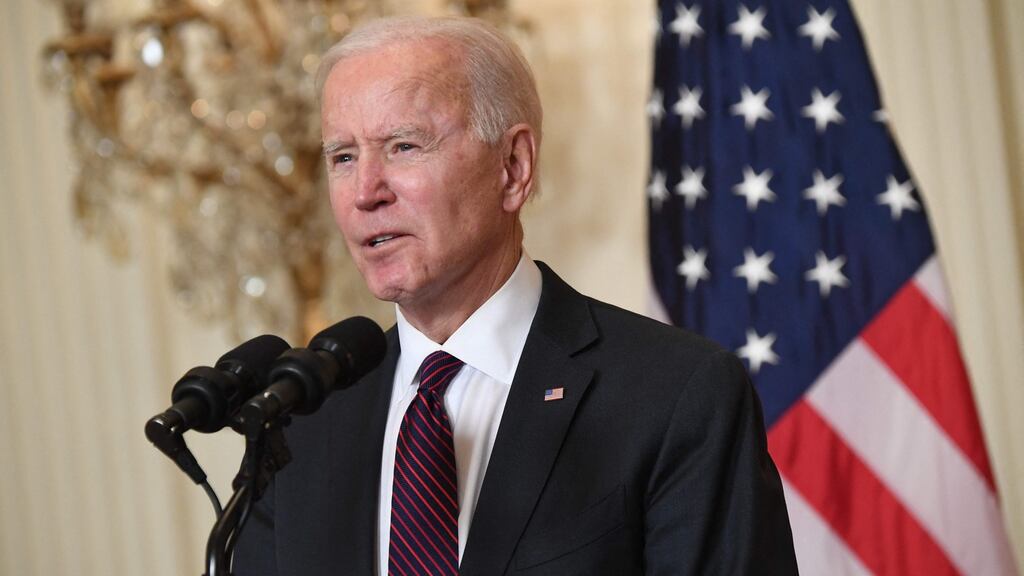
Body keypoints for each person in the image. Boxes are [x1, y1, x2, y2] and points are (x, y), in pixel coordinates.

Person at [234, 16, 798, 576]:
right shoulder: (299, 425)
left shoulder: (676, 396)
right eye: (343, 157)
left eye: (403, 146)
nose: (365, 193)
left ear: (513, 167)